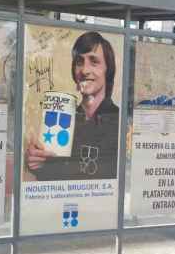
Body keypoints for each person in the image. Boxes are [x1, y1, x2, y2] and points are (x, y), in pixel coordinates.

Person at [26, 31, 119, 181]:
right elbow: (50, 179)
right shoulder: (62, 120)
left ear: (108, 70)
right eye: (79, 62)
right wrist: (36, 162)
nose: (84, 70)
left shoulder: (120, 123)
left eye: (94, 61)